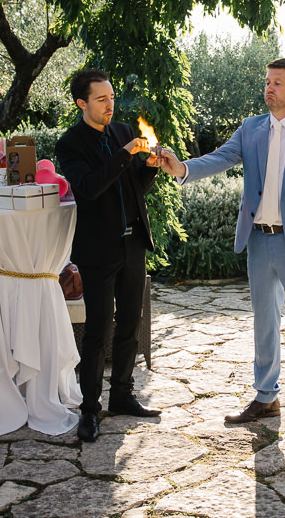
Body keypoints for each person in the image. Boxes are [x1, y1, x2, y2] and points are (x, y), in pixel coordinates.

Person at [157, 58, 285, 441]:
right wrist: (181, 168)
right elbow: (219, 159)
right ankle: (266, 396)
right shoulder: (251, 128)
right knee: (263, 322)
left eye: (277, 83)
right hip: (259, 240)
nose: (269, 88)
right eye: (267, 81)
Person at [55, 69, 162, 443]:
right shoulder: (70, 144)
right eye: (101, 99)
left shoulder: (121, 133)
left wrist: (148, 168)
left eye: (112, 97)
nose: (110, 105)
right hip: (97, 249)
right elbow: (88, 188)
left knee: (131, 321)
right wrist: (123, 154)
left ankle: (122, 395)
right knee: (98, 329)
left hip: (132, 244)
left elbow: (136, 187)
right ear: (82, 103)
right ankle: (89, 409)